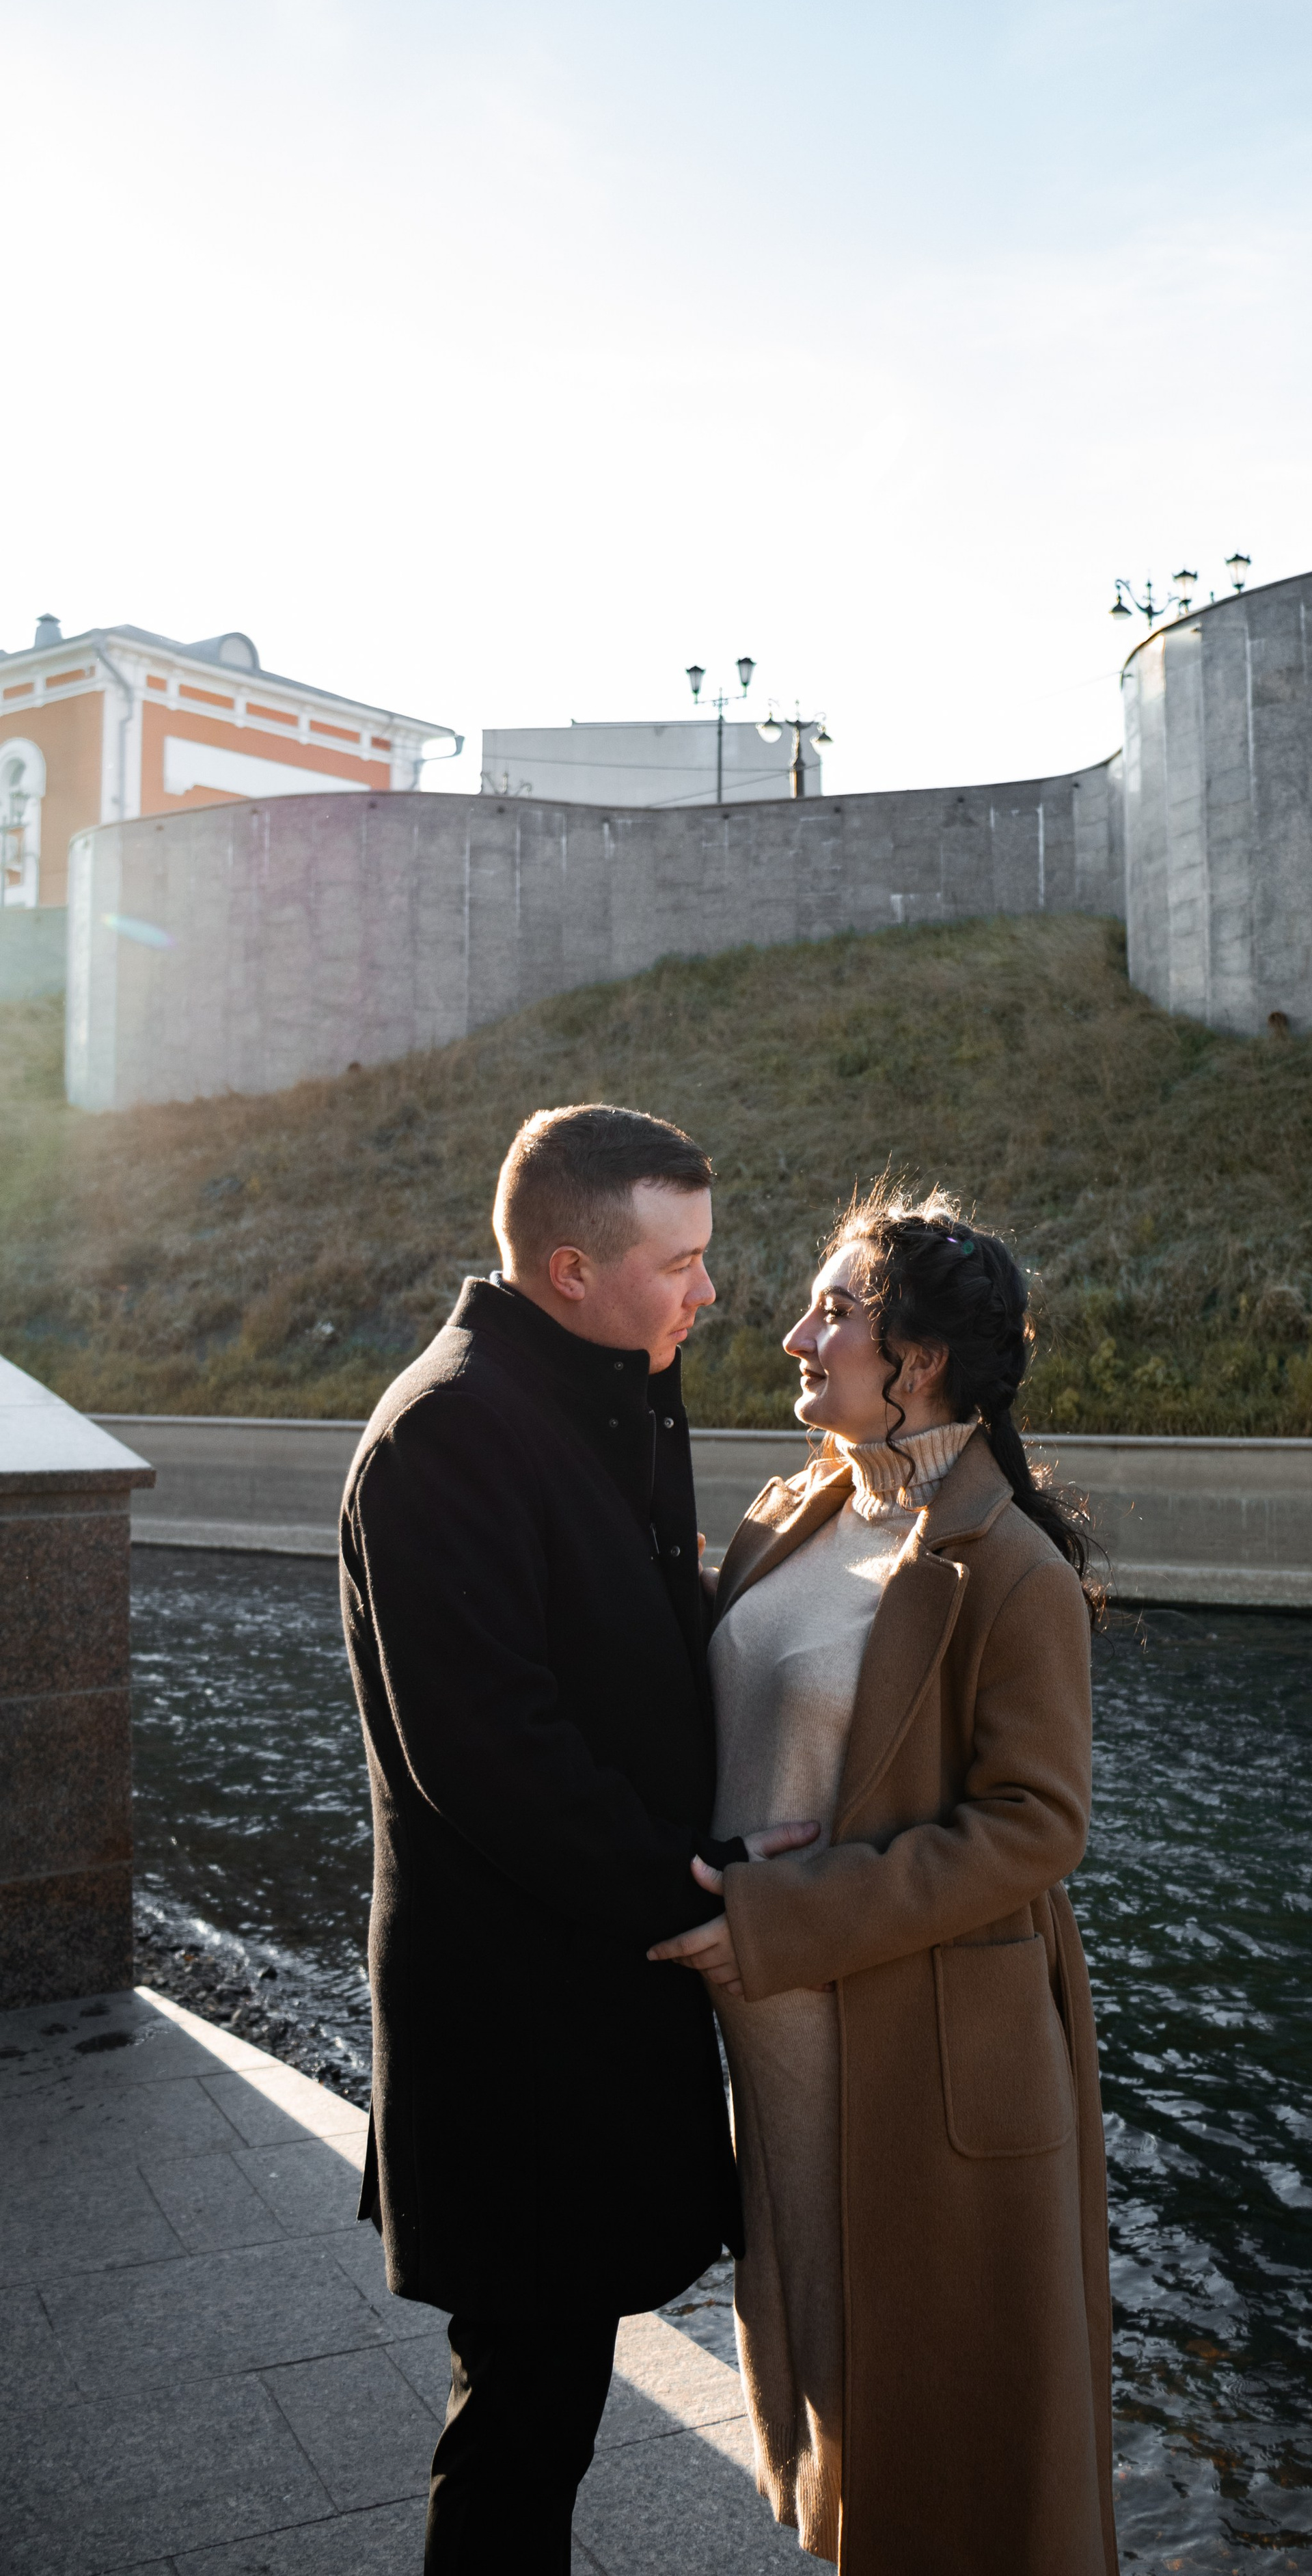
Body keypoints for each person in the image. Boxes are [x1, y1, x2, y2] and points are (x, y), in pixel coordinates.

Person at [340, 1102, 815, 2573]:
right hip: (516, 2042)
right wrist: (683, 1882)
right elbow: (489, 1749)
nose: (711, 1293)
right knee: (520, 2428)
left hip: (573, 2013)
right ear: (567, 1266)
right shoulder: (456, 1429)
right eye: (679, 1262)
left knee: (543, 2407)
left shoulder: (592, 1389)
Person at [650, 1190, 1117, 2576]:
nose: (796, 1336)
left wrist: (783, 1918)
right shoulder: (797, 1510)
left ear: (915, 1361)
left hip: (911, 2056)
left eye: (834, 1314)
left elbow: (1036, 1829)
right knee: (825, 2389)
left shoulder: (1006, 1571)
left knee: (943, 2441)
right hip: (780, 2037)